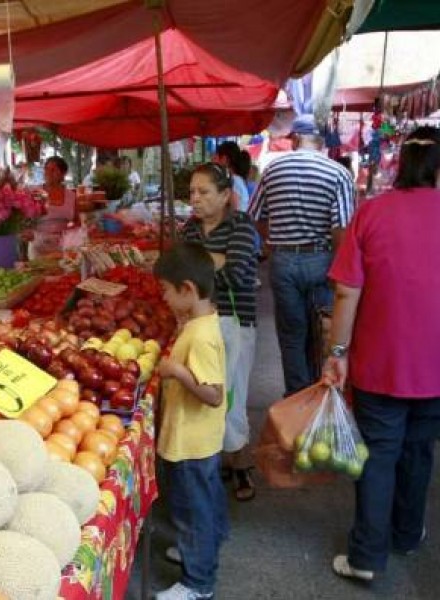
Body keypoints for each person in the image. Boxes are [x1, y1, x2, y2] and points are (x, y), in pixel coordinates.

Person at [322, 126, 440, 582]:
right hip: (435, 370)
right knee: (418, 452)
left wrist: (337, 351)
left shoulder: (372, 214)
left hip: (379, 365)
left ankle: (367, 557)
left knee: (377, 456)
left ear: (401, 165)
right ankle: (407, 535)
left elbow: (347, 293)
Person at [248, 116, 355, 396]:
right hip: (321, 261)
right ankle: (323, 392)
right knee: (323, 331)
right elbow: (341, 228)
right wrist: (338, 266)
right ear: (321, 142)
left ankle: (297, 397)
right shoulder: (338, 173)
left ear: (295, 139)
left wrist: (273, 241)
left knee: (292, 335)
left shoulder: (273, 168)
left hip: (283, 262)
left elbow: (255, 216)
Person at [154, 242, 228, 600]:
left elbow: (214, 394)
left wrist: (178, 373)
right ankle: (202, 548)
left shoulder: (200, 337)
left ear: (187, 289)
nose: (163, 298)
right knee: (205, 504)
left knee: (191, 512)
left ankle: (197, 582)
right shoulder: (201, 322)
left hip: (190, 443)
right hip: (200, 441)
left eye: (166, 291)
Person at [181, 163, 258, 501]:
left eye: (204, 192)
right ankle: (214, 463)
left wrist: (201, 264)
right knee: (206, 395)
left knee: (233, 396)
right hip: (199, 325)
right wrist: (216, 260)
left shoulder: (241, 225)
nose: (195, 199)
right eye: (192, 192)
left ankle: (241, 465)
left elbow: (238, 274)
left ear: (225, 195)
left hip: (235, 322)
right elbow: (183, 273)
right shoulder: (189, 230)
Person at [214, 141, 249, 212]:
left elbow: (233, 210)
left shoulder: (234, 181)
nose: (214, 161)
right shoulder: (236, 179)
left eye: (216, 158)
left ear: (224, 159)